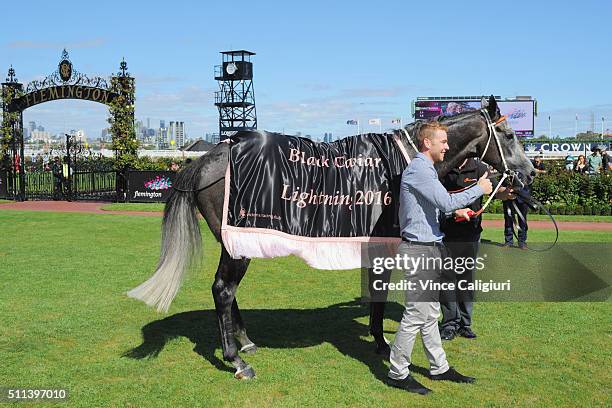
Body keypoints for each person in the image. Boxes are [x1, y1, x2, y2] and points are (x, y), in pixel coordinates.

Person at [386, 121, 493, 395]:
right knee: (415, 315)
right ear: (427, 143)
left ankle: (439, 367)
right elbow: (445, 201)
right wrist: (479, 189)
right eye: (443, 142)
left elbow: (433, 209)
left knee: (431, 314)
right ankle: (397, 372)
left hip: (429, 247)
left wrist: (454, 213)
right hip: (420, 250)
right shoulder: (420, 170)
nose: (447, 146)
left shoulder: (427, 171)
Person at [439, 158, 515, 341]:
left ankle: (465, 324)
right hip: (445, 233)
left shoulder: (479, 168)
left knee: (465, 279)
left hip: (470, 234)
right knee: (447, 280)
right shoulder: (442, 168)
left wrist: (509, 193)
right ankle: (449, 324)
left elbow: (497, 192)